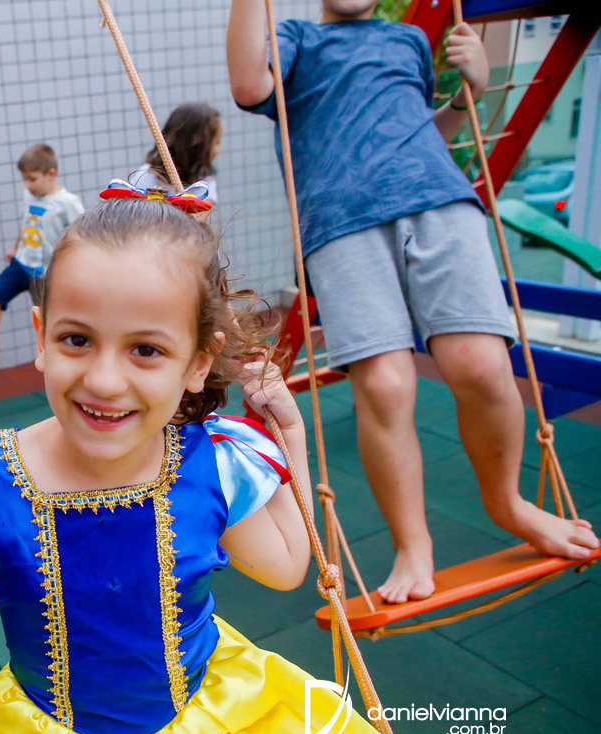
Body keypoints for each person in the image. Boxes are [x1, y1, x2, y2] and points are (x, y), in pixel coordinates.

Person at [0, 194, 446, 734]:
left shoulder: (210, 464)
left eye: (146, 349)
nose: (105, 380)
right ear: (40, 336)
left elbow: (289, 565)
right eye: (77, 339)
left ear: (198, 362)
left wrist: (289, 434)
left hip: (211, 733)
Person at [226, 0, 597, 603]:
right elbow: (248, 84)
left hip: (440, 201)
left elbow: (421, 134)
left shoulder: (409, 41)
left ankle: (508, 503)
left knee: (482, 366)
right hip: (341, 219)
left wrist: (467, 96)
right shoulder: (295, 39)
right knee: (386, 384)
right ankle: (412, 543)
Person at [0, 144, 85, 375]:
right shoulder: (29, 195)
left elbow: (81, 237)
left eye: (32, 179)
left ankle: (46, 356)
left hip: (45, 273)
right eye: (24, 179)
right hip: (22, 264)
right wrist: (15, 247)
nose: (27, 185)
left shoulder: (67, 202)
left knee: (44, 318)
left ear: (51, 173)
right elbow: (27, 222)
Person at [130, 101, 223, 201]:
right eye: (217, 142)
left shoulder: (203, 184)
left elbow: (204, 209)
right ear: (198, 145)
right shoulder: (145, 176)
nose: (219, 149)